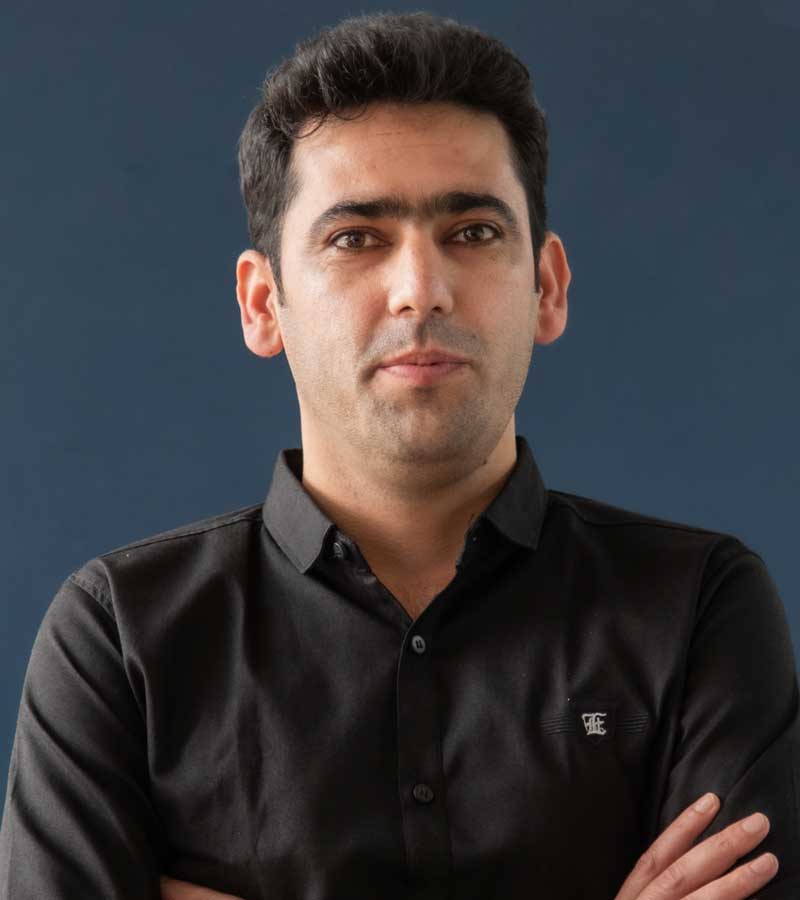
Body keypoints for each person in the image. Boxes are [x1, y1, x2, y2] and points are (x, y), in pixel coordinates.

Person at [1, 11, 797, 900]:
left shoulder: (697, 607)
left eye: (474, 232)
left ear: (547, 286)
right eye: (356, 238)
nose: (421, 289)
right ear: (262, 304)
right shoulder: (119, 638)